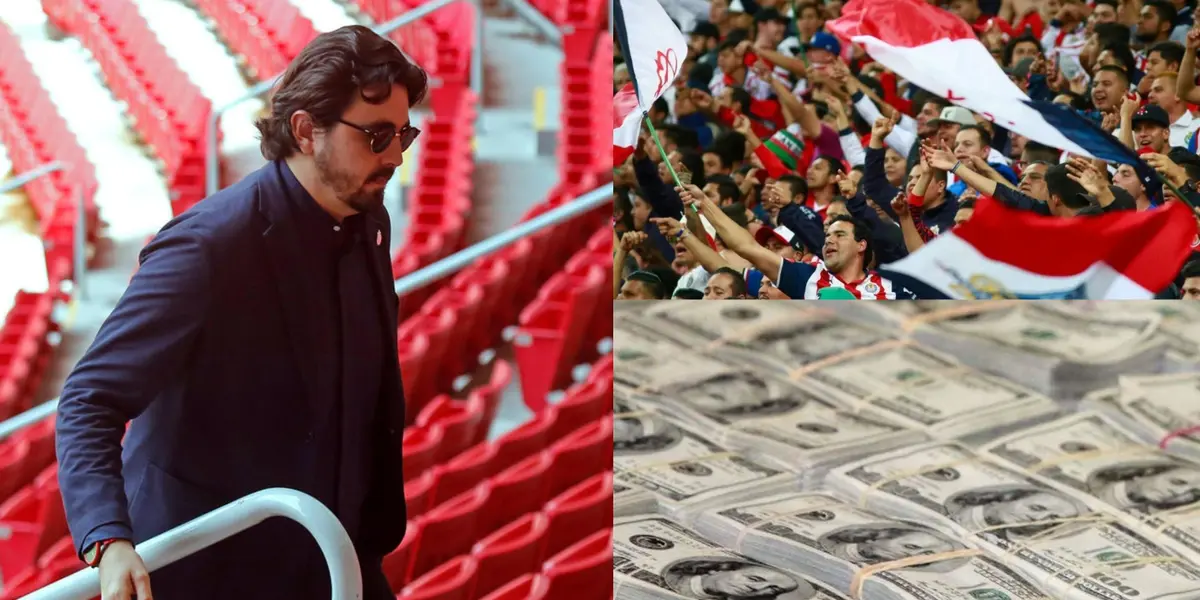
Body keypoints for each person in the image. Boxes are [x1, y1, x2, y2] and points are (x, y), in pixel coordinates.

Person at [54, 25, 425, 600]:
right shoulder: (208, 246)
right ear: (305, 131)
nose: (396, 155)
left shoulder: (367, 218)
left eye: (403, 134)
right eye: (377, 136)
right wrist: (108, 539)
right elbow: (89, 399)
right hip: (212, 572)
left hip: (333, 556)